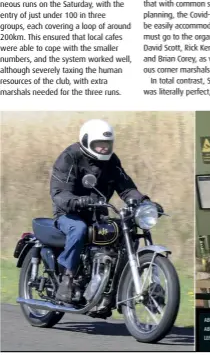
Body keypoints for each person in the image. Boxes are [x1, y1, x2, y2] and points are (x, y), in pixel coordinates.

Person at [50, 119, 163, 303]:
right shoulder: (70, 157)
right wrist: (76, 201)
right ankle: (67, 279)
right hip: (69, 214)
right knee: (78, 229)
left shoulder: (111, 161)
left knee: (126, 230)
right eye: (99, 144)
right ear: (86, 141)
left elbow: (126, 188)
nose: (104, 148)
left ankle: (112, 285)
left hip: (98, 215)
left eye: (107, 144)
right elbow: (59, 192)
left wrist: (144, 203)